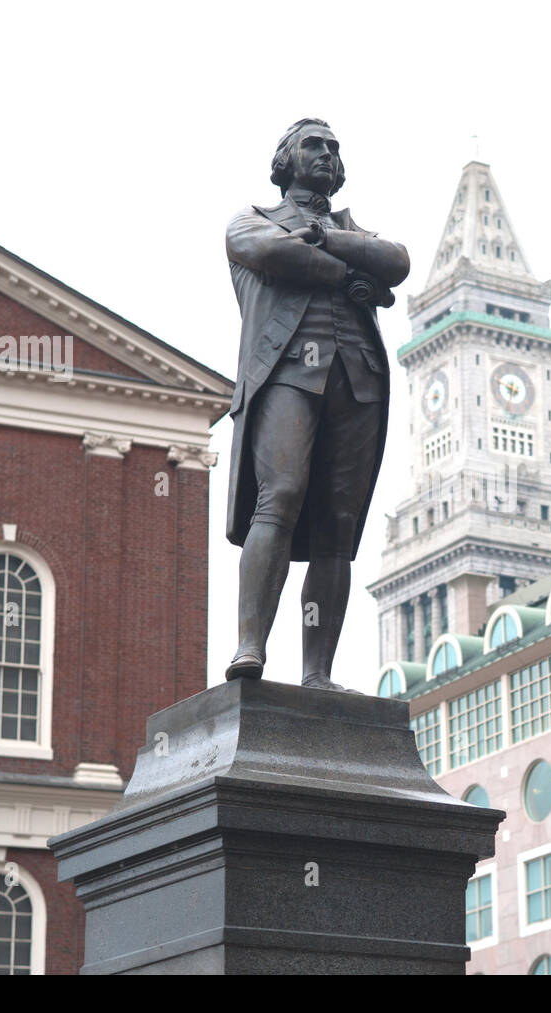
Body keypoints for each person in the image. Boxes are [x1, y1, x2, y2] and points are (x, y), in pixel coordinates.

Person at [222, 118, 410, 689]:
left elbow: (397, 262)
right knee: (278, 497)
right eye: (313, 145)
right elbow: (266, 253)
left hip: (358, 378)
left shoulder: (356, 230)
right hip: (287, 373)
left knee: (338, 524)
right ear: (286, 160)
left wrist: (328, 240)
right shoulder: (253, 219)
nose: (326, 153)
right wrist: (347, 270)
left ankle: (317, 674)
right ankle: (249, 648)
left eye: (334, 147)